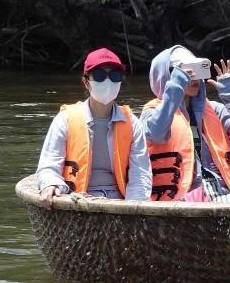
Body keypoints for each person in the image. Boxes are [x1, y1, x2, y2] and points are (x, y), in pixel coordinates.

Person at [141, 44, 230, 203]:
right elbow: (156, 134)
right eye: (186, 71)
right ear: (168, 76)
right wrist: (175, 88)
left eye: (197, 70)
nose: (194, 77)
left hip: (219, 189)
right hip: (178, 195)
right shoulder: (152, 111)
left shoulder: (214, 109)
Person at [35, 48, 152, 205]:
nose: (107, 82)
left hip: (120, 202)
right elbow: (49, 165)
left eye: (115, 76)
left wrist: (133, 208)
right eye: (99, 75)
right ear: (86, 82)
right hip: (76, 199)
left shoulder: (132, 123)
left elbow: (140, 174)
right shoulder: (65, 119)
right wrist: (50, 184)